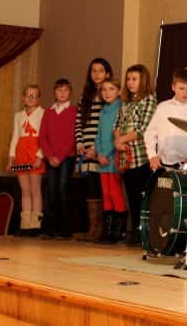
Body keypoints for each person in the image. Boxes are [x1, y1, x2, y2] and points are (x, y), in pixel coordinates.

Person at [114, 64, 157, 246]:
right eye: (128, 79)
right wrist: (118, 140)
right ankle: (135, 233)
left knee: (143, 197)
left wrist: (122, 139)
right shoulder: (125, 102)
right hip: (126, 158)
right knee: (131, 196)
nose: (130, 83)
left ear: (143, 81)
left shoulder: (149, 100)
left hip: (141, 157)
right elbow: (117, 124)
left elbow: (142, 129)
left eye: (134, 79)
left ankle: (144, 234)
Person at [74, 57, 113, 241]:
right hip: (85, 150)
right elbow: (78, 124)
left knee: (102, 189)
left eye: (101, 70)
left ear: (108, 74)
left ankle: (104, 231)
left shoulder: (109, 97)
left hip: (101, 150)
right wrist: (80, 144)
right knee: (90, 190)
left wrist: (96, 149)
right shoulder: (85, 97)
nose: (97, 74)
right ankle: (93, 229)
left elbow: (106, 126)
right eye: (93, 70)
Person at [144, 68, 187, 172]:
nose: (185, 93)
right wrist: (152, 156)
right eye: (181, 88)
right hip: (162, 164)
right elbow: (150, 134)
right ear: (173, 87)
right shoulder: (162, 107)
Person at [39, 78, 77, 239]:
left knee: (63, 189)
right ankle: (50, 229)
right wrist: (49, 156)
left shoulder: (74, 111)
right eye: (59, 90)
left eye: (65, 90)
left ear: (70, 93)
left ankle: (65, 229)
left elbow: (72, 138)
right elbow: (42, 137)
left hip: (66, 157)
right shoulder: (48, 112)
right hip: (50, 158)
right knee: (51, 191)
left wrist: (60, 157)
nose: (62, 93)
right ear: (54, 93)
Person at [7, 85, 46, 236]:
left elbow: (44, 137)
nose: (30, 98)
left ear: (38, 99)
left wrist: (40, 156)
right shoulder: (18, 115)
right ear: (23, 98)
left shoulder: (43, 113)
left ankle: (35, 225)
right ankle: (25, 225)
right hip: (21, 154)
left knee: (35, 190)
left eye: (34, 95)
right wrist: (11, 158)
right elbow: (15, 137)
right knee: (25, 190)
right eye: (28, 95)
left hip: (35, 153)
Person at [95, 78, 125, 244]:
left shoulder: (121, 109)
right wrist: (99, 154)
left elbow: (119, 135)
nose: (107, 93)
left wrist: (107, 154)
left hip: (114, 157)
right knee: (105, 194)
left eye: (111, 89)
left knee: (115, 193)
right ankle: (107, 230)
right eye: (104, 90)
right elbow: (98, 135)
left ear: (119, 91)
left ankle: (118, 231)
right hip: (102, 159)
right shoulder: (103, 112)